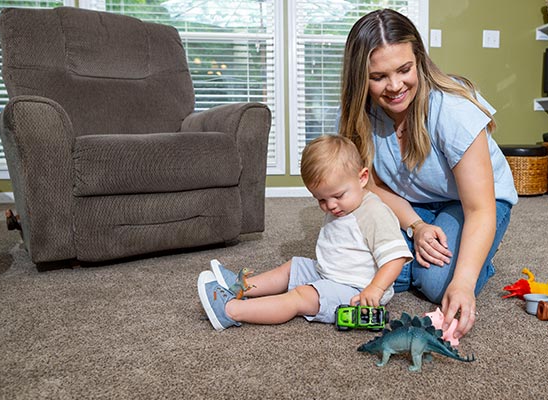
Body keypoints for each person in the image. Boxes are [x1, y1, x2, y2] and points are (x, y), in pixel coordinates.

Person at [338, 9, 518, 340]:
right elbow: (371, 185)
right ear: (359, 77)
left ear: (419, 60)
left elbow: (479, 208)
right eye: (378, 77)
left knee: (438, 284)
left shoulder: (452, 109)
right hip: (414, 204)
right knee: (353, 258)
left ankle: (480, 258)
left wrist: (463, 283)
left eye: (404, 70)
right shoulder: (362, 114)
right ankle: (444, 249)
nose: (394, 87)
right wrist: (415, 226)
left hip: (472, 205)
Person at [197, 135, 412, 331]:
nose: (330, 206)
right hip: (329, 272)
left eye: (338, 195)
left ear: (363, 178)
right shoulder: (344, 204)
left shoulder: (374, 213)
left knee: (300, 297)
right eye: (321, 200)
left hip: (356, 289)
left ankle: (230, 311)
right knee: (292, 267)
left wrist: (374, 289)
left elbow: (396, 258)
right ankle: (239, 287)